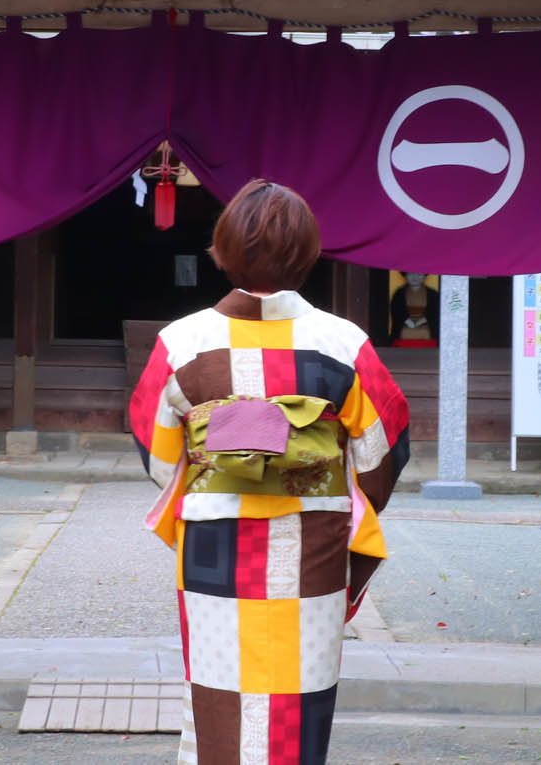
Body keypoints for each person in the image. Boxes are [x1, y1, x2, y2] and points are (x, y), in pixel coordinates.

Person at [128, 179, 411, 765]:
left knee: (217, 689)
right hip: (313, 543)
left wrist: (231, 465)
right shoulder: (344, 344)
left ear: (222, 250)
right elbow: (380, 456)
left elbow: (160, 461)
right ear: (309, 255)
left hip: (215, 544)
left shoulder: (181, 343)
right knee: (299, 698)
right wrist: (311, 471)